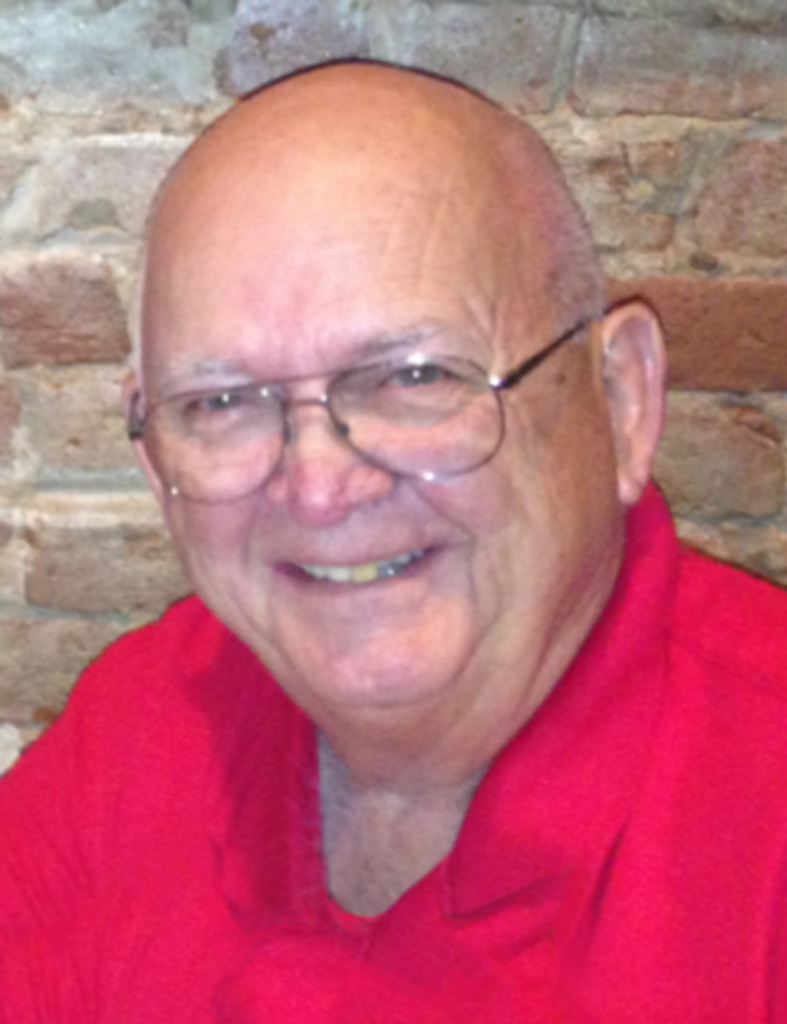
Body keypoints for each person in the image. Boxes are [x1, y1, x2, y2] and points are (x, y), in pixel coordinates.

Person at [2, 59, 787, 1023]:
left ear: (620, 400)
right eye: (221, 402)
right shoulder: (141, 729)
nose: (318, 488)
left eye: (415, 377)